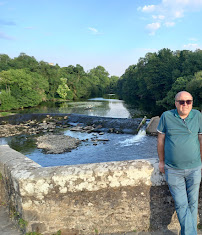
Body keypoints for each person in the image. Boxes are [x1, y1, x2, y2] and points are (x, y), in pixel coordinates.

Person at [157, 91, 202, 235]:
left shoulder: (198, 116)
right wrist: (162, 161)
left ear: (192, 102)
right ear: (175, 103)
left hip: (195, 168)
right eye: (181, 102)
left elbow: (201, 140)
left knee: (193, 204)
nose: (185, 105)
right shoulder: (166, 116)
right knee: (182, 204)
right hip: (173, 169)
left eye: (188, 101)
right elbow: (160, 141)